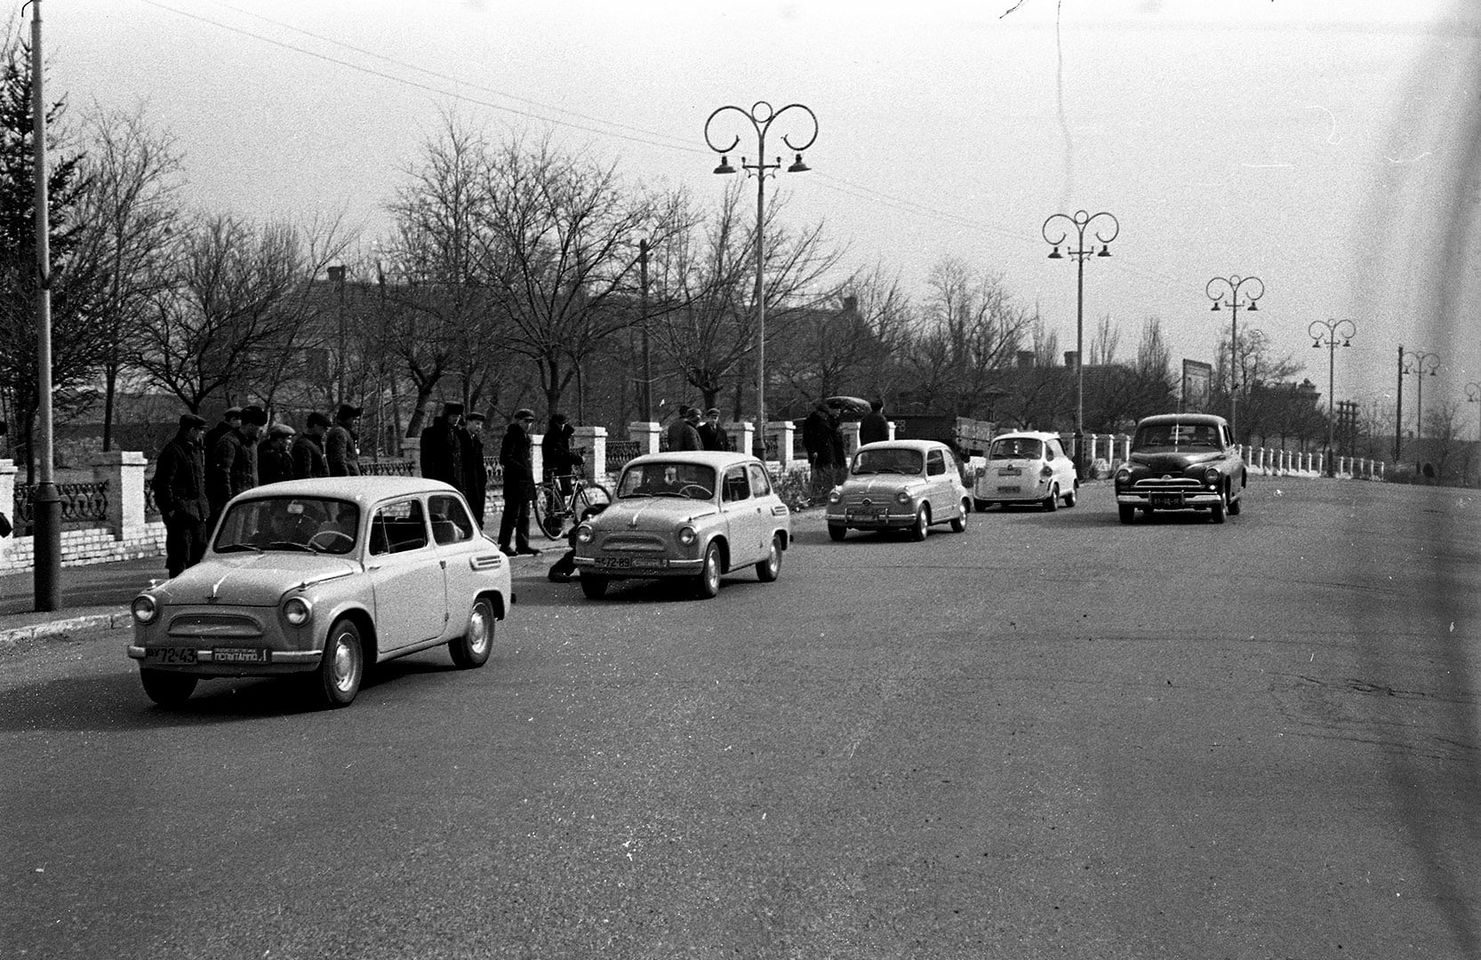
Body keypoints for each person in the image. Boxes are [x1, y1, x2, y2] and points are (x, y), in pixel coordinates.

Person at [152, 413, 211, 578]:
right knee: (180, 555)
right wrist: (170, 509)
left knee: (199, 553)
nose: (202, 434)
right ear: (191, 430)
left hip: (197, 513)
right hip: (181, 514)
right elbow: (162, 484)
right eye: (200, 431)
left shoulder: (196, 450)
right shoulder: (173, 451)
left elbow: (200, 482)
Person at [209, 404, 266, 530]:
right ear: (250, 425)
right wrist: (230, 502)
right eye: (259, 427)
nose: (261, 430)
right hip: (236, 503)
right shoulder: (229, 442)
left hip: (251, 501)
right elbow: (223, 475)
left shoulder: (252, 443)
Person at [497, 408, 541, 557]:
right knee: (511, 515)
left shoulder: (524, 436)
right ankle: (505, 544)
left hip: (525, 482)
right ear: (518, 421)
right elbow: (505, 458)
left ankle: (523, 544)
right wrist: (521, 469)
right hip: (514, 482)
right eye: (525, 421)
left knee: (524, 516)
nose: (528, 424)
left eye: (530, 422)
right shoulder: (511, 436)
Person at [420, 401, 465, 491]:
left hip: (457, 479)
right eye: (453, 416)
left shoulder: (459, 433)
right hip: (438, 477)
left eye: (458, 417)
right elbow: (425, 458)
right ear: (446, 416)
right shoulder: (431, 433)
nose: (456, 419)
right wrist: (429, 478)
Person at [541, 413, 583, 496]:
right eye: (563, 424)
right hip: (558, 470)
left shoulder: (558, 435)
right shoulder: (555, 436)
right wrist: (577, 459)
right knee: (557, 498)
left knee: (556, 498)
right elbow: (562, 453)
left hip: (553, 469)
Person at [460, 410, 489, 528]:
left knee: (477, 508)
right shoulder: (461, 438)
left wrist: (483, 479)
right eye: (477, 423)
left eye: (480, 424)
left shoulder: (476, 440)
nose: (479, 427)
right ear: (468, 422)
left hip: (477, 481)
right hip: (466, 479)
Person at [801, 400, 837, 496]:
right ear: (820, 412)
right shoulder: (810, 422)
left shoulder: (825, 421)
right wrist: (812, 450)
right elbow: (808, 438)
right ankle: (817, 493)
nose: (825, 416)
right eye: (824, 414)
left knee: (828, 473)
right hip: (817, 453)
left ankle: (828, 492)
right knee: (817, 473)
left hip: (827, 452)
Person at [326, 403, 362, 476]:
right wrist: (345, 479)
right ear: (347, 418)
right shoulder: (339, 432)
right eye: (354, 419)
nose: (356, 422)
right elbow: (339, 460)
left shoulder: (345, 432)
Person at [292, 411, 331, 479]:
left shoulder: (315, 443)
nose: (325, 431)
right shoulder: (303, 445)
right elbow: (304, 473)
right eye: (324, 428)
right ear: (315, 426)